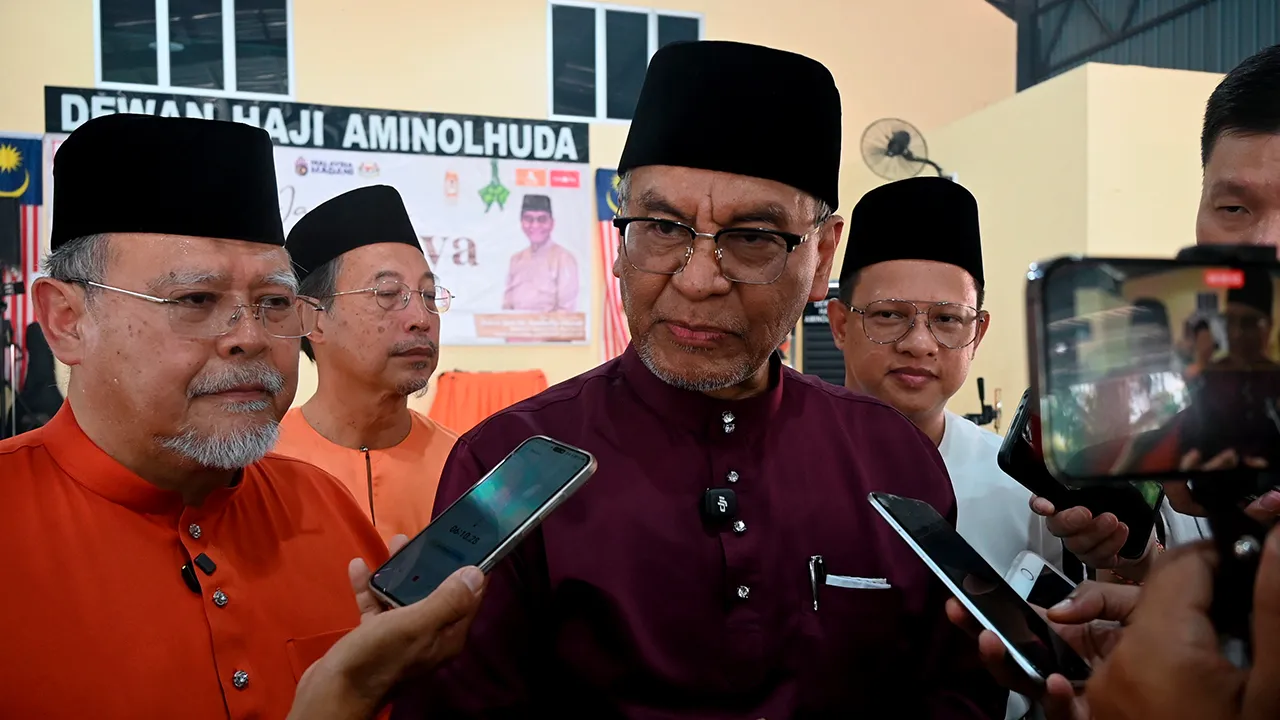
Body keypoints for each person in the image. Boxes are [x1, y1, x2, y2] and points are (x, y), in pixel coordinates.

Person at [397, 40, 1004, 718]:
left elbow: (955, 696)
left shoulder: (895, 463)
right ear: (621, 237)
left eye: (752, 238)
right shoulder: (505, 466)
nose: (698, 279)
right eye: (661, 227)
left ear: (823, 254)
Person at [0, 113, 476, 719]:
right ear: (68, 319)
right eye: (195, 300)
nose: (250, 337)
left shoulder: (321, 509)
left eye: (273, 302)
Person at [828, 177, 1062, 577]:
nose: (920, 344)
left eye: (948, 319)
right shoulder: (784, 467)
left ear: (977, 334)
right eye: (889, 314)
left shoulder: (1022, 492)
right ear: (840, 325)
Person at [276, 185, 460, 542]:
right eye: (388, 294)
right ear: (310, 318)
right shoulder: (257, 470)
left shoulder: (463, 467)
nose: (421, 318)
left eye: (428, 295)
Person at [501, 194, 579, 312]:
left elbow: (566, 310)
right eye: (529, 219)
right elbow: (507, 305)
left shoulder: (564, 259)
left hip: (552, 329)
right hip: (516, 328)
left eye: (542, 219)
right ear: (522, 222)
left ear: (552, 223)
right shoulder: (516, 260)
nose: (535, 225)